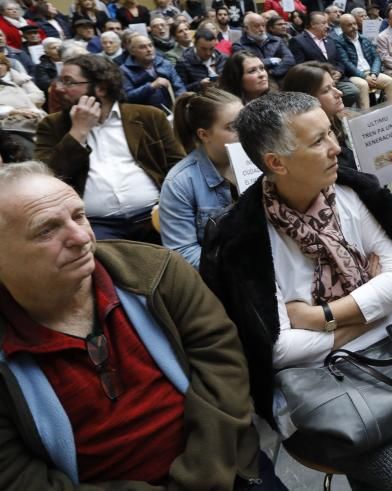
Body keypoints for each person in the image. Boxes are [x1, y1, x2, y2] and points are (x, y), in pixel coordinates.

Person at [200, 92, 392, 490]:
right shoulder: (243, 239)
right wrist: (374, 310)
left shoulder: (350, 193)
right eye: (318, 141)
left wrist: (321, 317)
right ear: (276, 163)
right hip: (323, 383)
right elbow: (278, 349)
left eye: (331, 133)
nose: (336, 148)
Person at [0, 162, 283, 489]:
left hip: (223, 466)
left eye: (79, 215)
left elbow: (223, 366)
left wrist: (200, 475)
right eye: (47, 229)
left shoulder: (155, 272)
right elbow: (18, 477)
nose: (81, 237)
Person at [34, 54, 185, 241]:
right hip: (95, 224)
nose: (58, 88)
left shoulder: (149, 116)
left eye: (69, 82)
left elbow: (178, 166)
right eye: (60, 80)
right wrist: (77, 132)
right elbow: (46, 178)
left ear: (101, 88)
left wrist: (171, 205)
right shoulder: (52, 125)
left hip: (154, 214)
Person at [159, 88, 242, 268]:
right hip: (220, 283)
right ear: (204, 135)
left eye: (246, 121)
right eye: (232, 127)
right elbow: (183, 251)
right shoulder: (179, 182)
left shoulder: (262, 161)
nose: (245, 130)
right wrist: (239, 271)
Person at [281, 62, 357, 170]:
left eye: (334, 86)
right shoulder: (300, 143)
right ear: (305, 98)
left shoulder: (345, 119)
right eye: (326, 90)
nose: (339, 93)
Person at [335, 13, 392, 109]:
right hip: (353, 75)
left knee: (389, 81)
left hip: (370, 72)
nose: (353, 27)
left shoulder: (364, 38)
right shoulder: (339, 42)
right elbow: (346, 63)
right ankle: (366, 118)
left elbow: (376, 57)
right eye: (349, 25)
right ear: (342, 27)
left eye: (354, 24)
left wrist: (374, 73)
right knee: (363, 85)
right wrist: (364, 76)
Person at [120, 34, 187, 110]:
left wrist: (180, 104)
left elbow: (179, 86)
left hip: (173, 109)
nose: (149, 49)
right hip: (146, 114)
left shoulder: (165, 63)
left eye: (150, 45)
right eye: (142, 47)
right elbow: (128, 97)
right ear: (132, 52)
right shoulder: (124, 71)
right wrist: (151, 86)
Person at [233, 13, 295, 81]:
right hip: (257, 81)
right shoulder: (239, 45)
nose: (262, 29)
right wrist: (270, 61)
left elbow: (289, 60)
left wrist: (272, 72)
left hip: (280, 78)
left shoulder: (277, 40)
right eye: (257, 26)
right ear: (246, 28)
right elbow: (248, 65)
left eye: (263, 25)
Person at [0, 53, 45, 136]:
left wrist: (26, 107)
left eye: (2, 63)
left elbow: (39, 95)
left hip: (36, 114)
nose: (0, 67)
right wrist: (15, 110)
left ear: (7, 65)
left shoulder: (22, 78)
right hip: (10, 123)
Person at [177, 26, 228, 92]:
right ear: (195, 45)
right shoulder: (183, 63)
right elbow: (180, 91)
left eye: (211, 49)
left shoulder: (223, 58)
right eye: (203, 49)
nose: (208, 53)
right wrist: (200, 85)